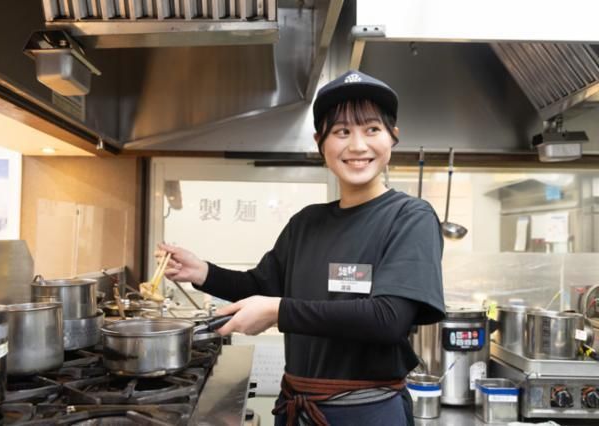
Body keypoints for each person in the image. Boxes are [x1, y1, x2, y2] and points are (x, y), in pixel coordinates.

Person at [158, 69, 445, 426]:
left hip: (367, 413)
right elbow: (260, 288)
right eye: (342, 132)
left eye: (372, 129)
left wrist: (279, 311)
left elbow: (388, 319)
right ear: (320, 142)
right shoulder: (306, 223)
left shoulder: (410, 216)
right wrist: (203, 272)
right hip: (298, 407)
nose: (358, 146)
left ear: (393, 137)